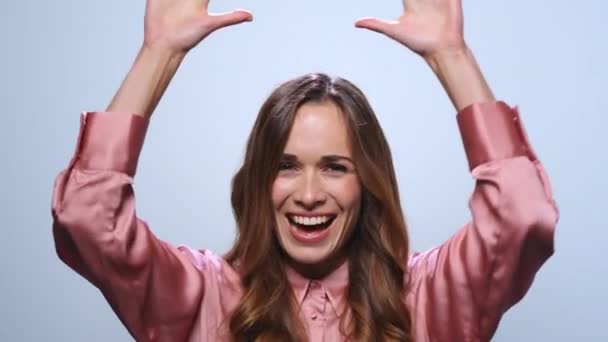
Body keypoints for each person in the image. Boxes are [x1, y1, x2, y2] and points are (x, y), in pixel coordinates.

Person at [51, 0, 559, 341]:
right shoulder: (204, 297)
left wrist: (453, 57)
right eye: (286, 166)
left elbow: (522, 217)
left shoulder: (427, 298)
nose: (309, 193)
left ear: (368, 183)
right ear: (258, 182)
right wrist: (157, 54)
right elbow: (89, 221)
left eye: (335, 167)